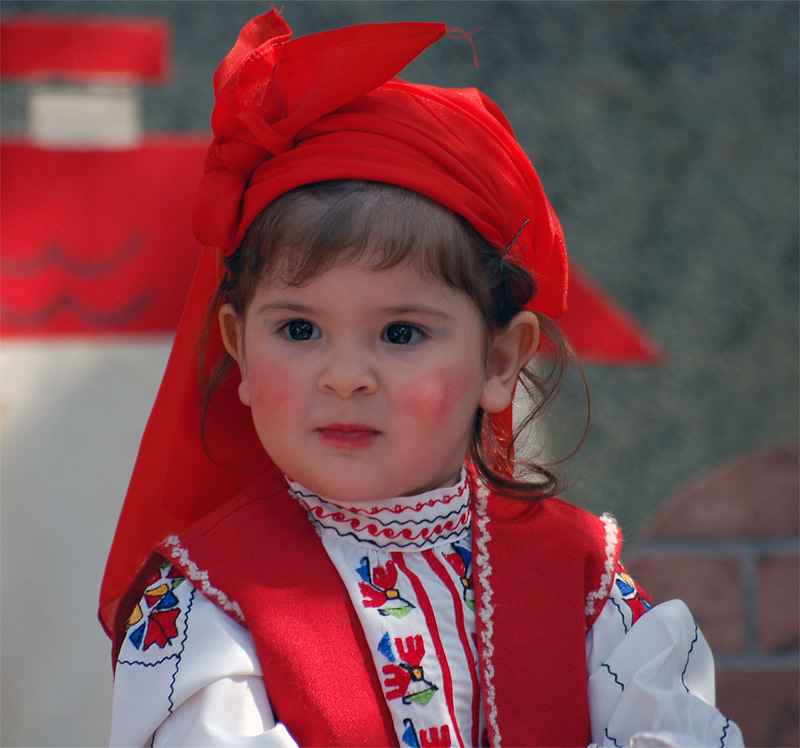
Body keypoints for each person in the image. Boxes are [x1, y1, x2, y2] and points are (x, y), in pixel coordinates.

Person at [101, 10, 743, 747]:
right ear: (238, 353)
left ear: (500, 363)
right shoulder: (208, 601)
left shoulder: (582, 579)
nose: (345, 376)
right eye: (299, 329)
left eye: (401, 333)